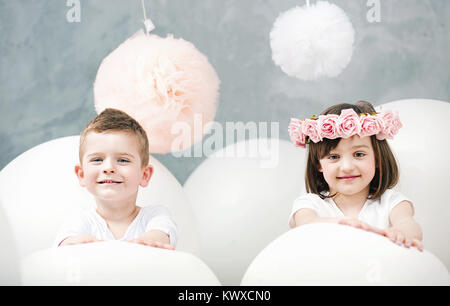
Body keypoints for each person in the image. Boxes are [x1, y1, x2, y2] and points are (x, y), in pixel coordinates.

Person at [287, 101, 423, 251]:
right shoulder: (309, 204)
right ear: (318, 164)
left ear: (377, 158)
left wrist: (401, 233)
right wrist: (343, 224)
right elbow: (307, 223)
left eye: (359, 154)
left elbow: (408, 224)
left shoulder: (391, 202)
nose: (347, 167)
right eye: (333, 157)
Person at [54, 108, 177, 250]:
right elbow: (65, 245)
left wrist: (148, 242)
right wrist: (76, 245)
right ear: (81, 175)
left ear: (144, 175)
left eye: (123, 160)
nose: (109, 168)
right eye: (97, 159)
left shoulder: (155, 216)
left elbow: (160, 236)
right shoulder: (80, 221)